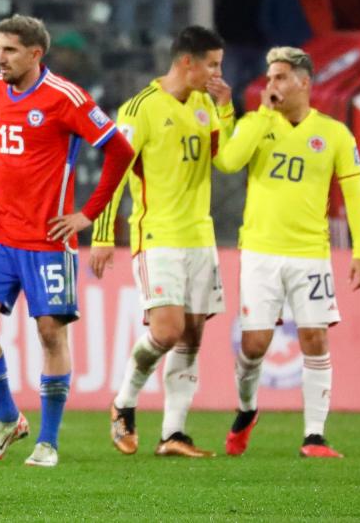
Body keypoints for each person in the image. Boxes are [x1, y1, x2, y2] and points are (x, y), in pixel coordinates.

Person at [0, 14, 135, 467]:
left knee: (50, 333)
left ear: (35, 53)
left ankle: (48, 441)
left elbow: (120, 150)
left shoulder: (66, 98)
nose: (0, 58)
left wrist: (87, 214)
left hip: (47, 239)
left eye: (10, 50)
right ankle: (8, 418)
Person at [214, 47, 360, 458]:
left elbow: (354, 193)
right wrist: (260, 115)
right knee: (254, 345)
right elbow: (228, 161)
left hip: (310, 254)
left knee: (315, 337)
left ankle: (314, 436)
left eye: (280, 77)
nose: (271, 85)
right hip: (260, 252)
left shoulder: (334, 134)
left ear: (303, 82)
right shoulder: (257, 123)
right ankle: (247, 409)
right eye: (269, 78)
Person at [90, 26, 235, 457]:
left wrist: (227, 111)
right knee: (167, 331)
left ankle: (174, 433)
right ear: (187, 62)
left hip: (200, 236)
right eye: (213, 65)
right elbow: (115, 173)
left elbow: (226, 161)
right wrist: (102, 235)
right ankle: (124, 402)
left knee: (191, 334)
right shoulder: (139, 109)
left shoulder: (207, 104)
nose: (218, 73)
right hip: (158, 235)